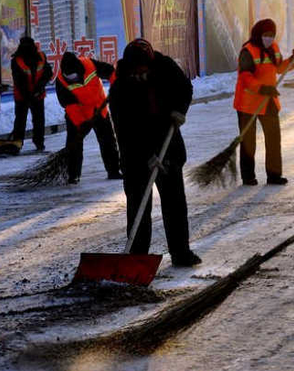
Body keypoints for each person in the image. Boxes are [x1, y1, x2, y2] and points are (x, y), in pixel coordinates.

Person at [109, 39, 201, 267]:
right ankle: (138, 258)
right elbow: (125, 130)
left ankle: (181, 253)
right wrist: (145, 156)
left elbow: (185, 89)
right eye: (135, 69)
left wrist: (179, 111)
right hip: (135, 152)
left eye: (143, 68)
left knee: (174, 203)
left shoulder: (166, 68)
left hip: (167, 145)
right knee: (138, 205)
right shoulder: (120, 88)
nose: (139, 72)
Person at [233, 18, 294, 186]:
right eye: (266, 34)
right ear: (258, 34)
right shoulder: (247, 51)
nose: (269, 38)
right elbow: (245, 77)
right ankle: (248, 176)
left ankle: (274, 175)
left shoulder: (274, 48)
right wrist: (262, 88)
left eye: (272, 35)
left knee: (273, 139)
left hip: (269, 101)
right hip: (247, 103)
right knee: (248, 142)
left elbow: (279, 68)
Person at [56, 52, 122, 184]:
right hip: (78, 114)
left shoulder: (90, 64)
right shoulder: (61, 80)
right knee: (74, 144)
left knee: (108, 141)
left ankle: (113, 170)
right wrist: (81, 123)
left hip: (99, 108)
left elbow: (111, 72)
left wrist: (116, 85)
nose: (72, 78)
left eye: (74, 75)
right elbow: (69, 105)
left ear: (79, 69)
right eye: (69, 76)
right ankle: (73, 175)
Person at [11, 37, 52, 153]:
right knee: (20, 120)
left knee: (38, 120)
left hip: (38, 94)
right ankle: (17, 143)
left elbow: (48, 73)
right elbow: (18, 80)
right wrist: (28, 95)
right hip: (22, 96)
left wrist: (39, 88)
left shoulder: (42, 57)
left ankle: (39, 142)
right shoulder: (16, 60)